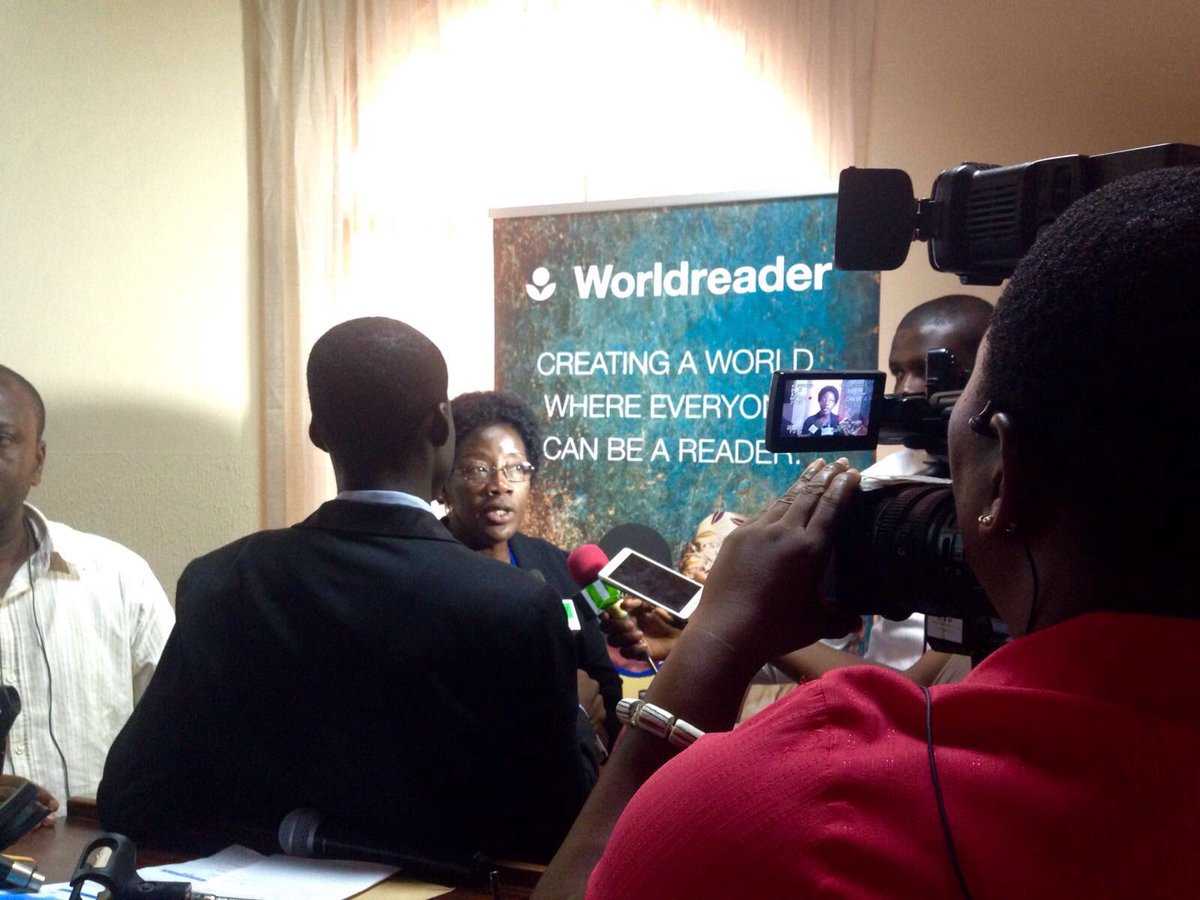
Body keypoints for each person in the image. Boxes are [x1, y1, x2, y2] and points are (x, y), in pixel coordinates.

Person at [534, 166, 1200, 898]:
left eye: (952, 393)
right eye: (900, 375)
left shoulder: (819, 804)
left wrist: (719, 638)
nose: (915, 399)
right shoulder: (882, 490)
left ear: (1004, 475)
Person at [97, 318, 596, 865]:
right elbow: (560, 828)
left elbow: (132, 796)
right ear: (440, 425)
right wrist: (575, 711)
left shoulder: (221, 580)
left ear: (317, 431)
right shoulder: (517, 605)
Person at [602, 294, 993, 686]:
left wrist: (733, 618)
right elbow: (821, 650)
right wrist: (694, 641)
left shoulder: (1009, 504)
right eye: (896, 372)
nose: (906, 389)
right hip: (871, 709)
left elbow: (918, 694)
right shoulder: (880, 486)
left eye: (929, 370)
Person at [0, 365, 173, 812]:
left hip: (100, 854)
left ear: (37, 462)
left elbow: (185, 740)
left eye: (2, 440)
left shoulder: (120, 581)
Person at [440, 389, 623, 751]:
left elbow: (604, 683)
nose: (500, 485)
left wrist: (598, 746)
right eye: (477, 469)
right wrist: (566, 710)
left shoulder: (559, 567)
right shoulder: (423, 572)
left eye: (516, 468)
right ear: (444, 482)